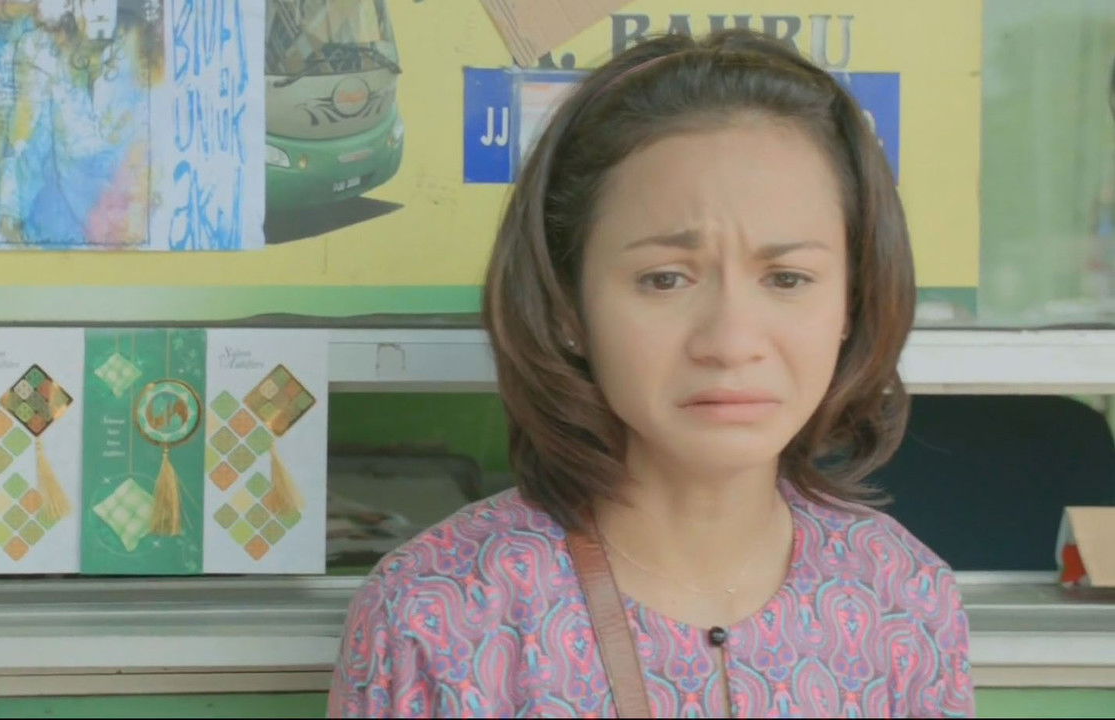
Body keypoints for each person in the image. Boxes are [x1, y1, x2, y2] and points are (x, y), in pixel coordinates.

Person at [330, 29, 973, 718]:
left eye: (786, 278)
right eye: (665, 278)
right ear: (568, 305)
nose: (731, 342)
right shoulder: (435, 617)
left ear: (851, 302)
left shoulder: (905, 597)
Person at [0, 0, 154, 247]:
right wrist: (11, 208)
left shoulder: (142, 47)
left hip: (138, 213)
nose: (98, 6)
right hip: (72, 216)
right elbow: (26, 136)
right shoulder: (42, 50)